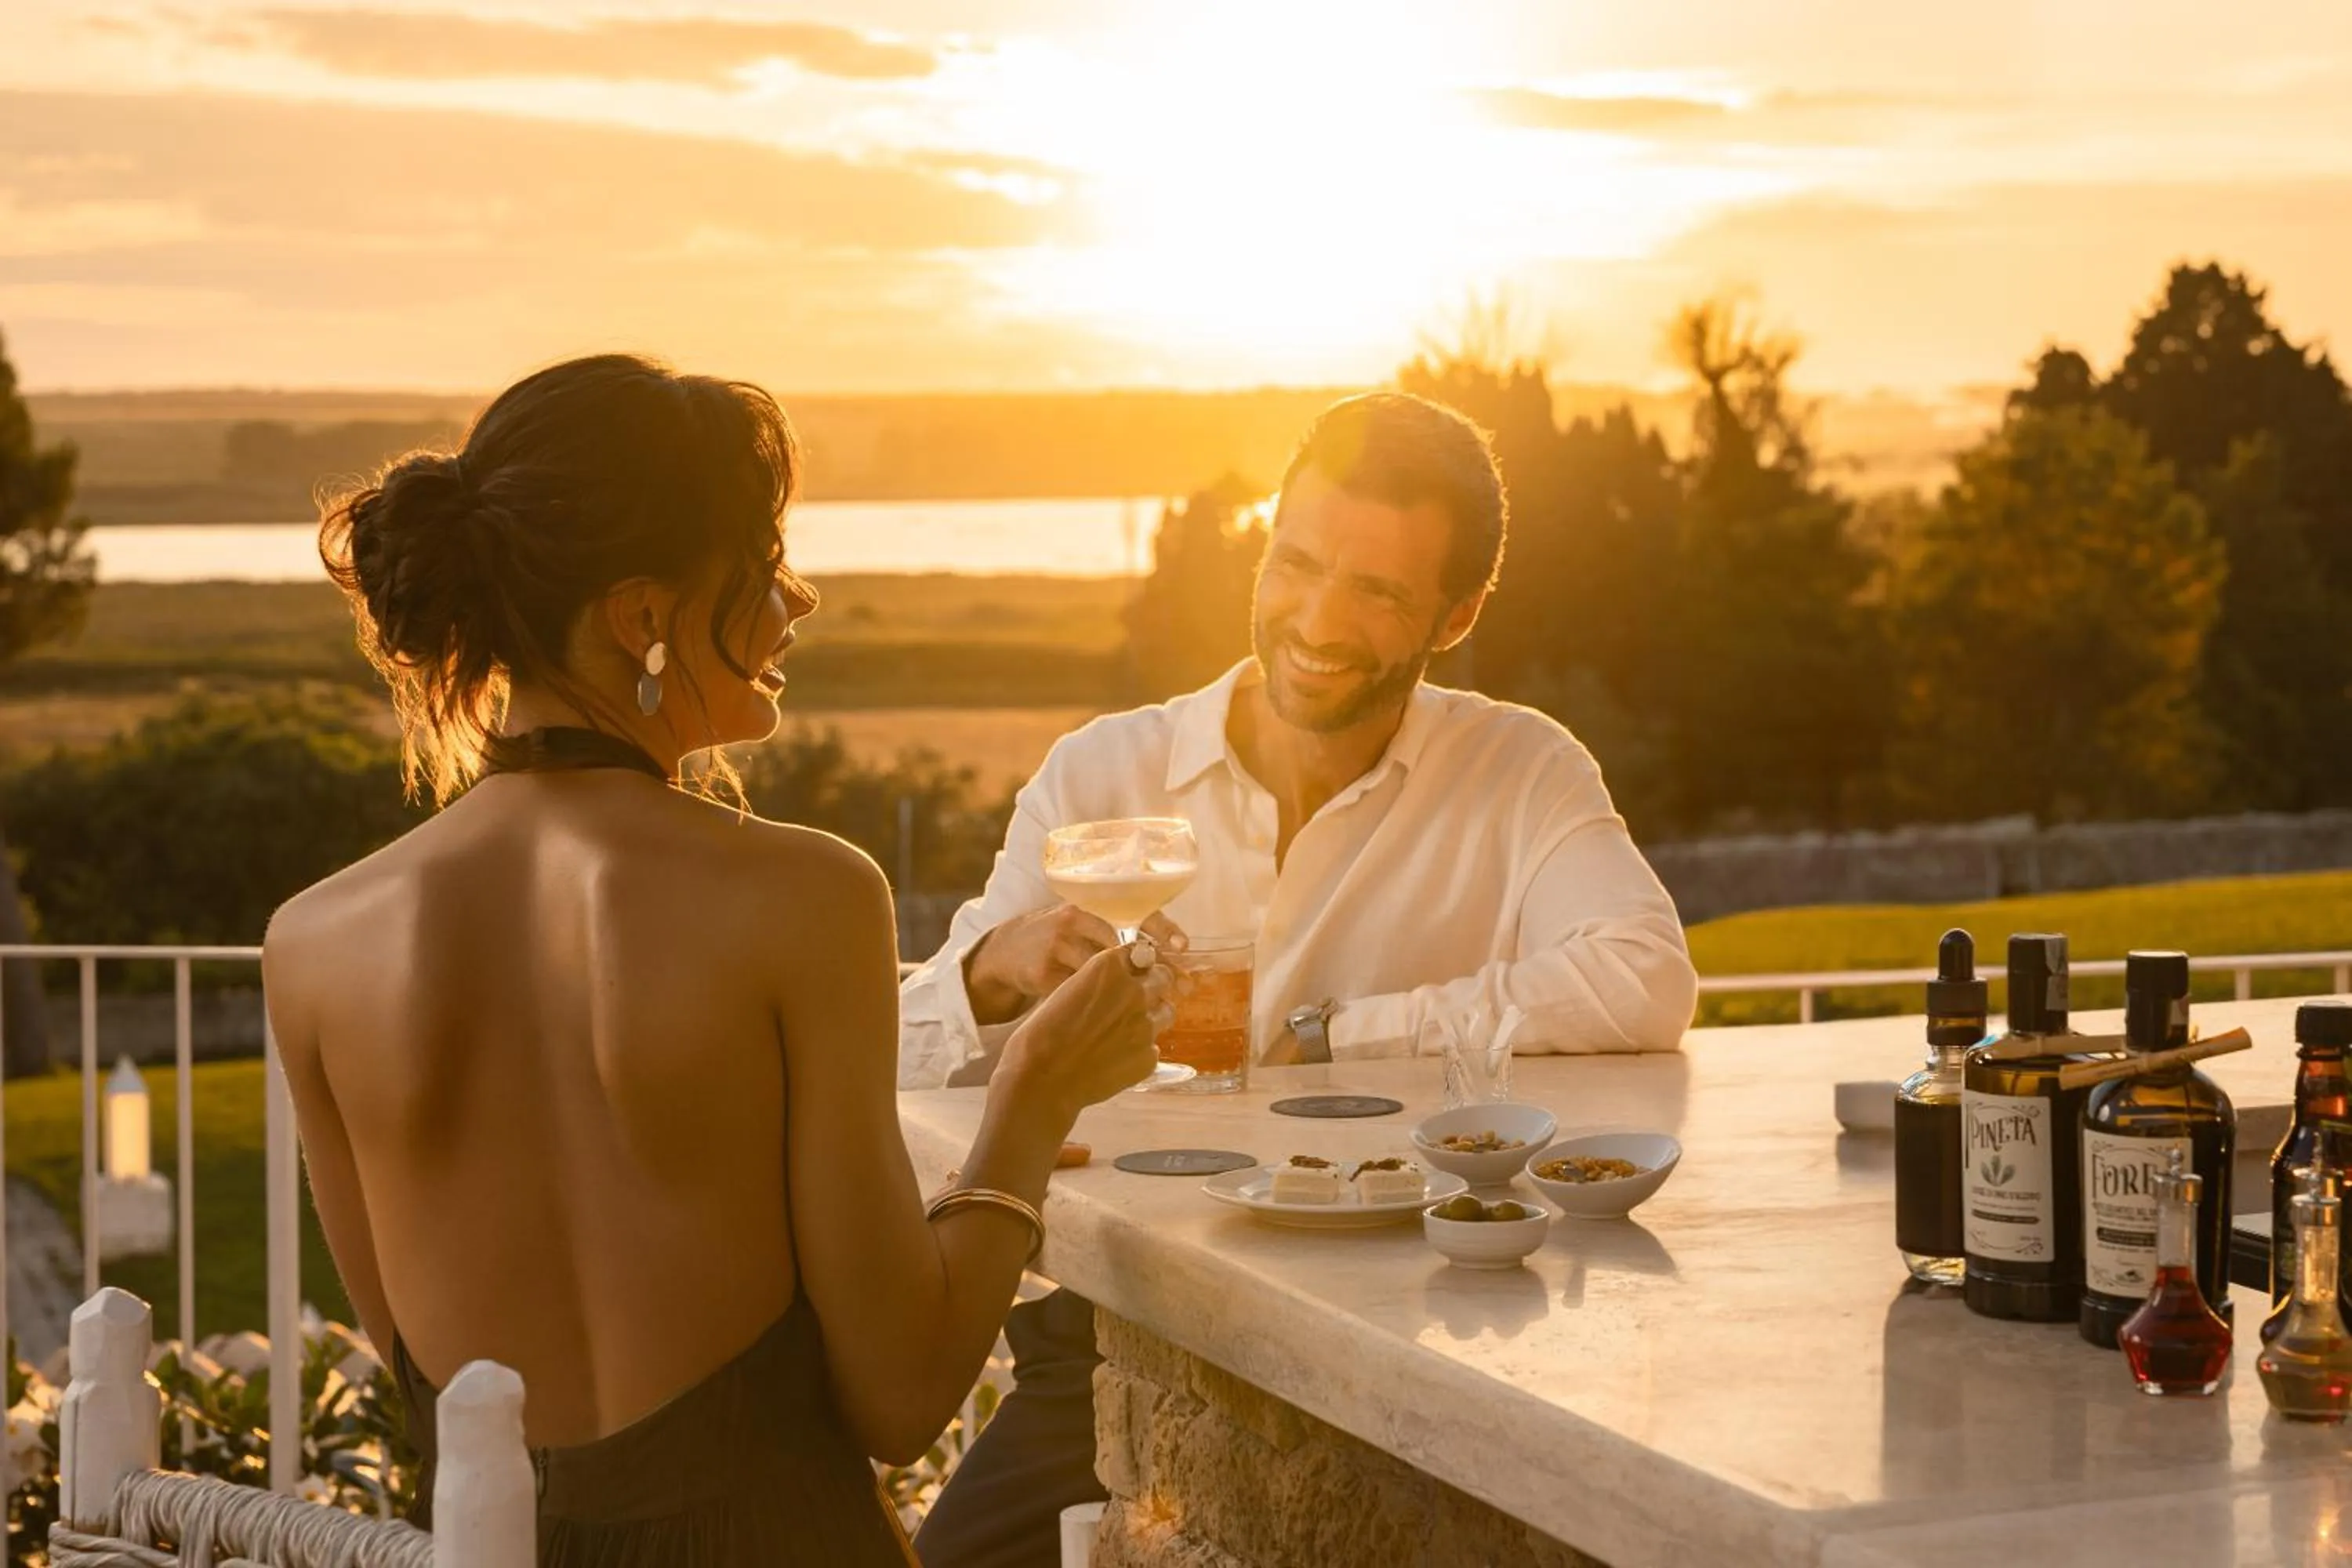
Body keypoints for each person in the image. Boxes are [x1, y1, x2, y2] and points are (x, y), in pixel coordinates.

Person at [263, 354, 1170, 1567]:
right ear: (643, 617)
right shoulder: (804, 897)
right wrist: (1033, 1099)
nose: (800, 599)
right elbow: (903, 1395)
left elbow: (422, 1374)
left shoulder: (311, 942)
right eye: (765, 558)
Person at [899, 391, 1697, 1568]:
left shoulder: (1519, 768)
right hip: (1117, 1331)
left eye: (1377, 591)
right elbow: (910, 1064)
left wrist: (1324, 1035)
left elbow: (1644, 978)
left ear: (1457, 615)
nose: (1318, 621)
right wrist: (989, 973)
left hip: (1424, 1334)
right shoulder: (1105, 771)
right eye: (1298, 564)